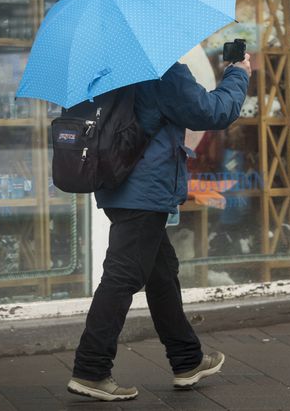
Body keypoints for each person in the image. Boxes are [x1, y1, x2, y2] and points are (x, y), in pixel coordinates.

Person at [67, 54, 251, 401]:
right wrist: (237, 75)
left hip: (116, 183)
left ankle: (187, 360)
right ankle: (90, 368)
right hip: (145, 189)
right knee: (122, 276)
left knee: (161, 272)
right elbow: (211, 112)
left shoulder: (101, 66)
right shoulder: (160, 67)